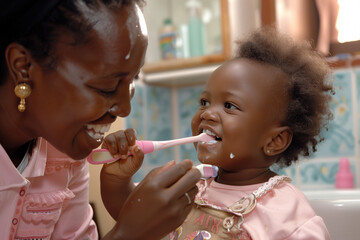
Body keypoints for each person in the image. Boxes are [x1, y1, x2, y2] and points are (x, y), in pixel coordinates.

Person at [0, 0, 200, 239]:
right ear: (23, 67)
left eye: (133, 79)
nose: (125, 109)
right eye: (106, 88)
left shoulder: (64, 156)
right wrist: (130, 232)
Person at [167, 28, 333, 239]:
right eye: (204, 102)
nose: (207, 113)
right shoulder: (191, 189)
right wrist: (118, 181)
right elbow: (141, 223)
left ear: (275, 140)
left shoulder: (288, 214)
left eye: (229, 105)